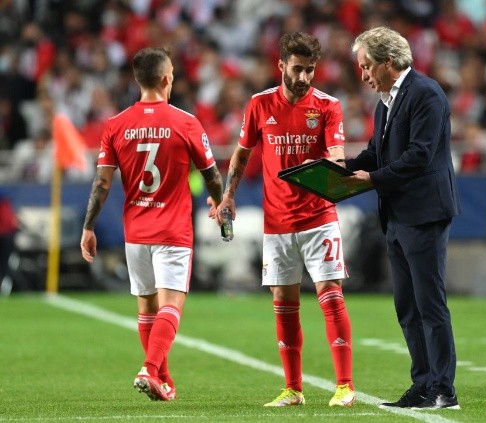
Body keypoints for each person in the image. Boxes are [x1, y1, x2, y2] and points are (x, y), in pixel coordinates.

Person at [214, 32, 355, 407]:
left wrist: (326, 168)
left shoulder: (327, 106)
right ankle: (293, 389)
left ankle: (345, 386)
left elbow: (339, 160)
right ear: (281, 66)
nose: (305, 77)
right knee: (283, 302)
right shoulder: (260, 104)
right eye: (298, 69)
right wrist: (227, 196)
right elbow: (241, 155)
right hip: (277, 222)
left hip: (318, 217)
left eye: (310, 69)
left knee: (330, 295)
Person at [80, 47, 223, 401]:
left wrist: (88, 227)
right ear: (164, 79)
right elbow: (212, 175)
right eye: (172, 73)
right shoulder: (186, 121)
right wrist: (221, 202)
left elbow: (101, 183)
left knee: (147, 307)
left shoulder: (115, 125)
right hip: (172, 229)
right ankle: (150, 368)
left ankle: (163, 378)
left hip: (136, 231)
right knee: (172, 304)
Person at [342, 26, 461, 410]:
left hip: (423, 212)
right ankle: (422, 384)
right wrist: (338, 168)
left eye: (366, 66)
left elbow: (419, 155)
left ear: (387, 62)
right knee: (407, 306)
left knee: (429, 302)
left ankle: (444, 389)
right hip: (397, 214)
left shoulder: (425, 93)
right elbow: (377, 152)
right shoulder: (387, 101)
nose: (363, 75)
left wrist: (373, 179)